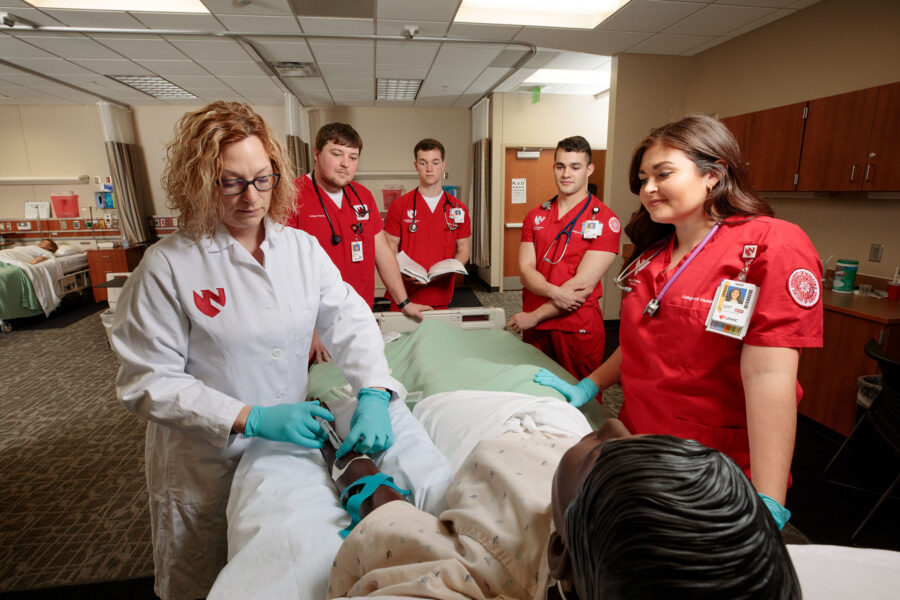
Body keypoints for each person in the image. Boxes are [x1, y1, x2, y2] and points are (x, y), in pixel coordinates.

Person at [109, 102, 415, 600]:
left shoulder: (300, 249)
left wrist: (376, 391)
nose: (250, 197)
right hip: (207, 458)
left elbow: (349, 318)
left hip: (282, 456)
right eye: (230, 182)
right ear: (199, 181)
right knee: (203, 579)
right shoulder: (169, 265)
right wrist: (249, 418)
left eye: (262, 179)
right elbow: (146, 381)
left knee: (277, 569)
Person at [535, 115, 824, 530]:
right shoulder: (654, 253)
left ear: (714, 174)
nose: (647, 188)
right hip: (636, 445)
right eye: (642, 178)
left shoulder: (769, 246)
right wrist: (590, 384)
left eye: (662, 173)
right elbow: (642, 341)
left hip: (709, 465)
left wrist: (768, 499)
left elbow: (768, 379)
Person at [327, 418, 801, 599]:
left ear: (560, 552)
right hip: (541, 425)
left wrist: (361, 475)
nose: (615, 422)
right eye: (638, 440)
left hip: (474, 449)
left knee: (400, 429)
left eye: (604, 451)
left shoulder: (493, 566)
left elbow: (390, 523)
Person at [286, 123, 430, 363]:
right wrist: (307, 329)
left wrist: (404, 302)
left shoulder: (362, 197)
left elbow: (382, 251)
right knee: (318, 392)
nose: (346, 163)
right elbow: (285, 270)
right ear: (316, 153)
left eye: (353, 157)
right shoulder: (292, 196)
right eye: (336, 154)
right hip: (314, 326)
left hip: (359, 315)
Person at [507, 136, 621, 379]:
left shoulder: (604, 221)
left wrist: (535, 315)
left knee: (580, 403)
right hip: (536, 328)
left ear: (589, 169)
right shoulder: (536, 216)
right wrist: (556, 293)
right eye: (560, 166)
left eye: (575, 167)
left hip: (575, 328)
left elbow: (581, 286)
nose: (566, 173)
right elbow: (526, 271)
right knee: (534, 395)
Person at [383, 138, 471, 309]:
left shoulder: (458, 208)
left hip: (440, 292)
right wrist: (402, 270)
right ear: (416, 165)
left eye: (435, 162)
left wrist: (448, 269)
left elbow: (464, 249)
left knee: (438, 336)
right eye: (423, 163)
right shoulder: (399, 206)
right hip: (404, 295)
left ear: (443, 165)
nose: (429, 169)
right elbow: (390, 247)